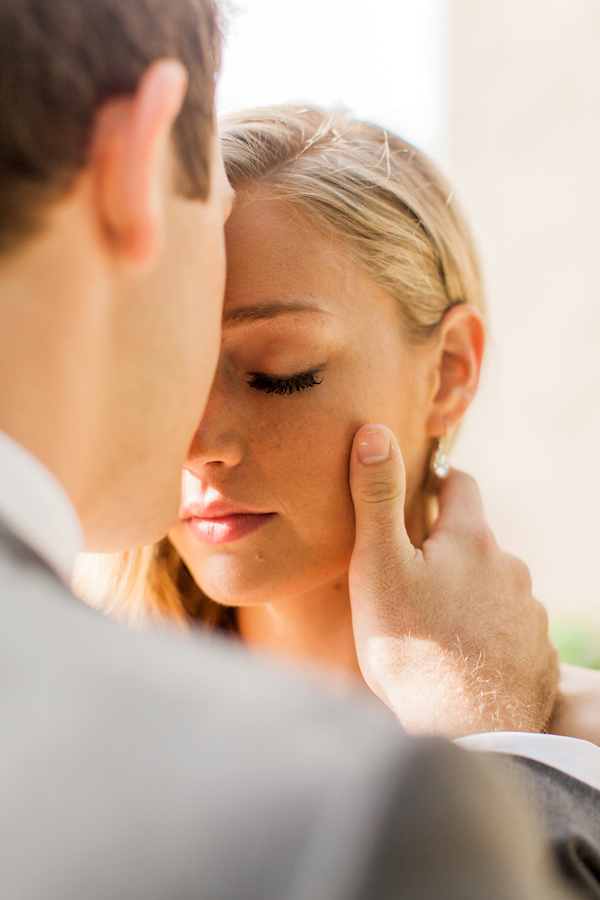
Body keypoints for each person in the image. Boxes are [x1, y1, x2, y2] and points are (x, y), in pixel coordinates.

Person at [0, 1, 593, 898]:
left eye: (279, 371)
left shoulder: (573, 763)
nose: (202, 442)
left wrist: (506, 755)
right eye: (179, 367)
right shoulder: (73, 732)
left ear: (450, 372)